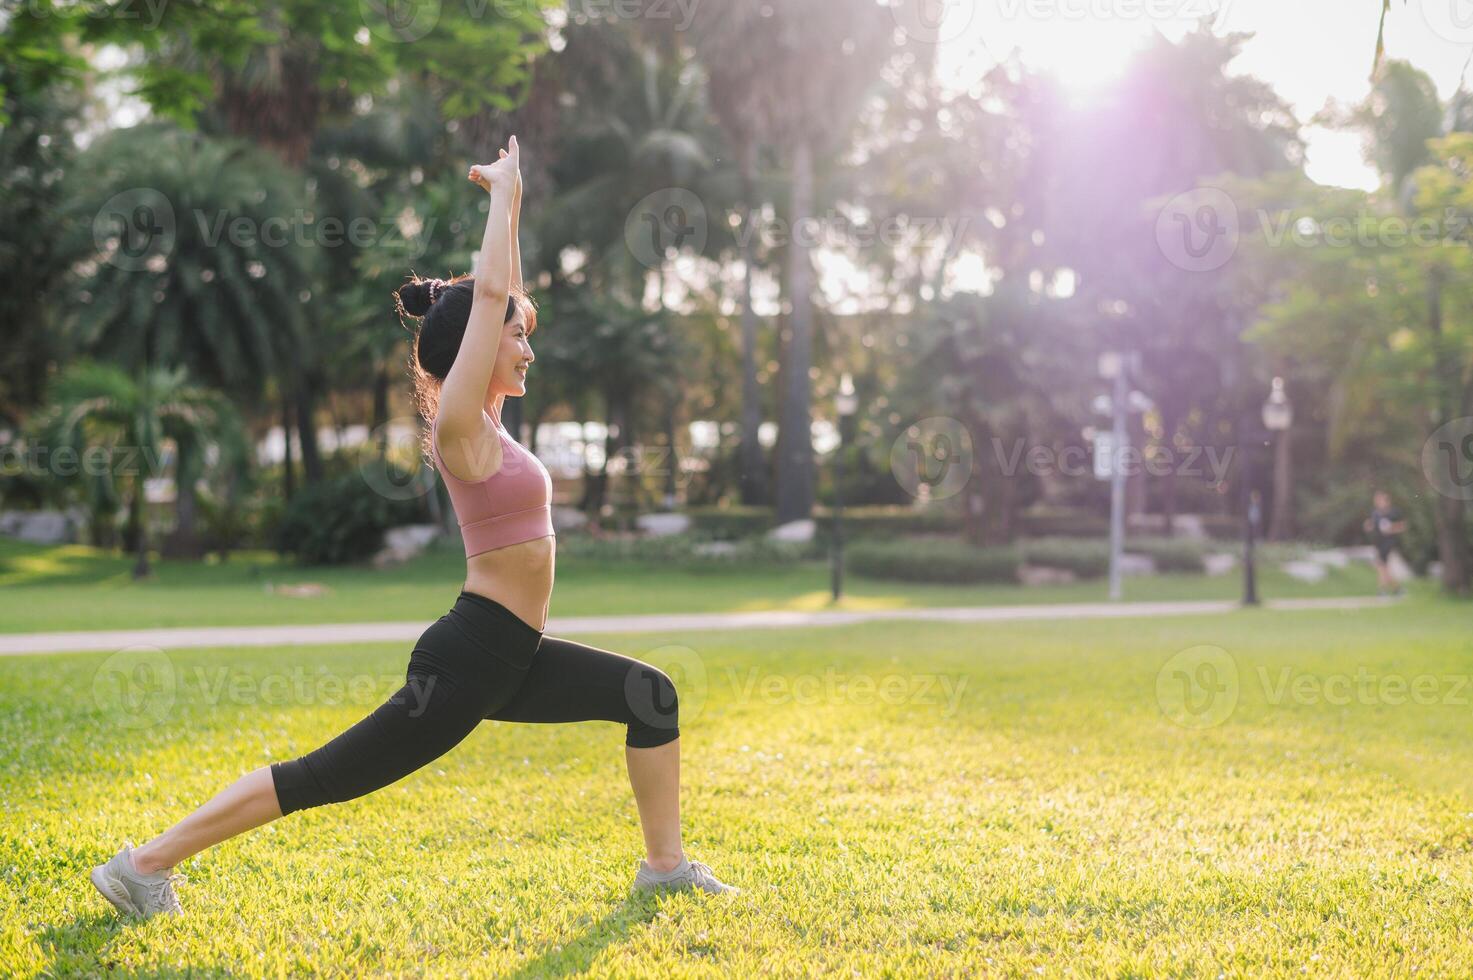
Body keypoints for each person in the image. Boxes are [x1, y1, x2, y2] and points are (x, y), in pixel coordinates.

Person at [90, 135, 737, 920]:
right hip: (468, 658)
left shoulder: (488, 421)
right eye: (517, 336)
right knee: (323, 777)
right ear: (476, 347)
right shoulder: (459, 427)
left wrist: (515, 201)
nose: (529, 348)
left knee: (649, 696)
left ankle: (662, 866)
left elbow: (502, 292)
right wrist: (503, 195)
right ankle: (142, 865)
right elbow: (492, 295)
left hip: (512, 653)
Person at [1362, 489, 1408, 597]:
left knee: (1381, 565)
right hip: (1379, 543)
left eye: (1379, 499)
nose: (1377, 502)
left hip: (1389, 542)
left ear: (1386, 500)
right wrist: (1368, 526)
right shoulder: (1375, 513)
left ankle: (1382, 591)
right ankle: (1398, 589)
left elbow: (1403, 526)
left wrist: (1391, 529)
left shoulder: (1393, 512)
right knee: (1384, 567)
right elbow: (1373, 525)